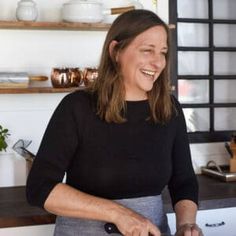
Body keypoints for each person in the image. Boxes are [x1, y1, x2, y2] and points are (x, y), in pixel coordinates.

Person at [26, 9, 203, 236]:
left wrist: (185, 225)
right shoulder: (77, 107)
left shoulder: (169, 109)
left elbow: (184, 181)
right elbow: (40, 188)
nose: (158, 62)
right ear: (115, 51)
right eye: (148, 50)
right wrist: (118, 213)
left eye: (163, 52)